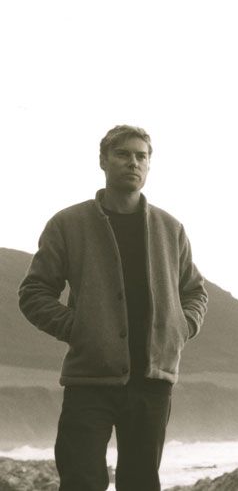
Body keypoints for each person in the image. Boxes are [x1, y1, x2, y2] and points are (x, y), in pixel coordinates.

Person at [18, 125, 209, 491]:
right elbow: (34, 292)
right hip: (90, 378)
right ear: (103, 161)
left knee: (141, 482)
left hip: (153, 381)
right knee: (81, 480)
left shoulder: (170, 228)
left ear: (149, 165)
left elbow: (194, 291)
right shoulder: (68, 224)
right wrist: (78, 328)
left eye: (141, 156)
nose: (133, 163)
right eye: (123, 154)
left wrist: (181, 328)